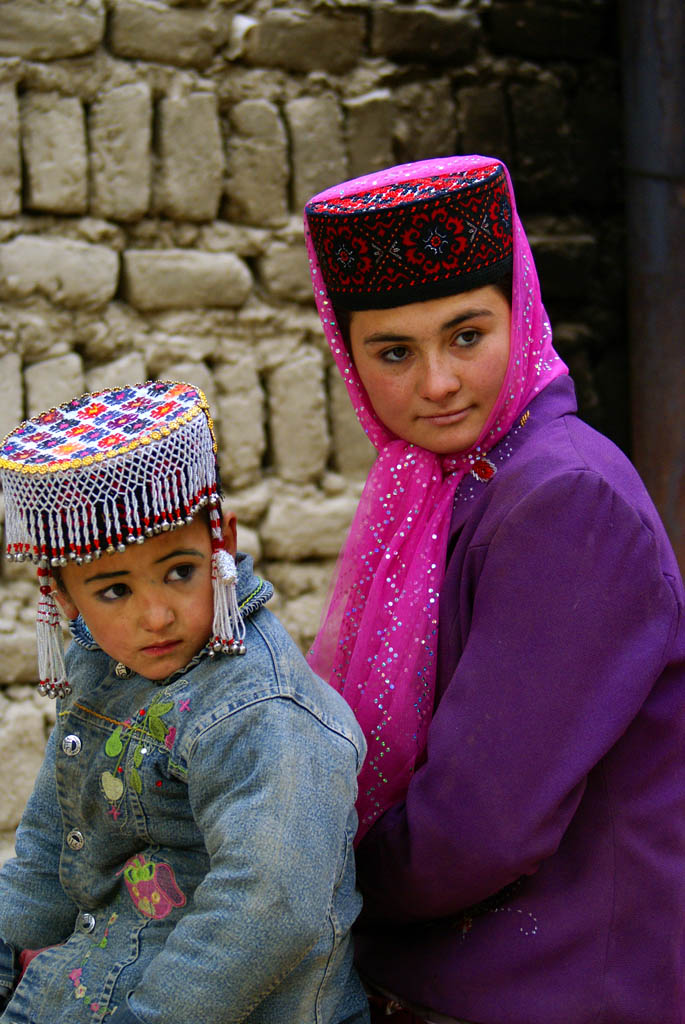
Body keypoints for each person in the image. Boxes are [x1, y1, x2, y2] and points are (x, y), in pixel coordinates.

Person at [303, 155, 685, 1024]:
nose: (435, 383)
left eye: (466, 335)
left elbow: (481, 827)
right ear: (348, 355)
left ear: (521, 310)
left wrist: (305, 882)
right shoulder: (443, 485)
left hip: (558, 982)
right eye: (393, 352)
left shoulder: (562, 497)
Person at [0, 379, 370, 1024]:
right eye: (113, 590)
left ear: (220, 542)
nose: (156, 615)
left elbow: (269, 906)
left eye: (180, 571)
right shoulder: (104, 664)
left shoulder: (260, 711)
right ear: (61, 597)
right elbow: (54, 833)